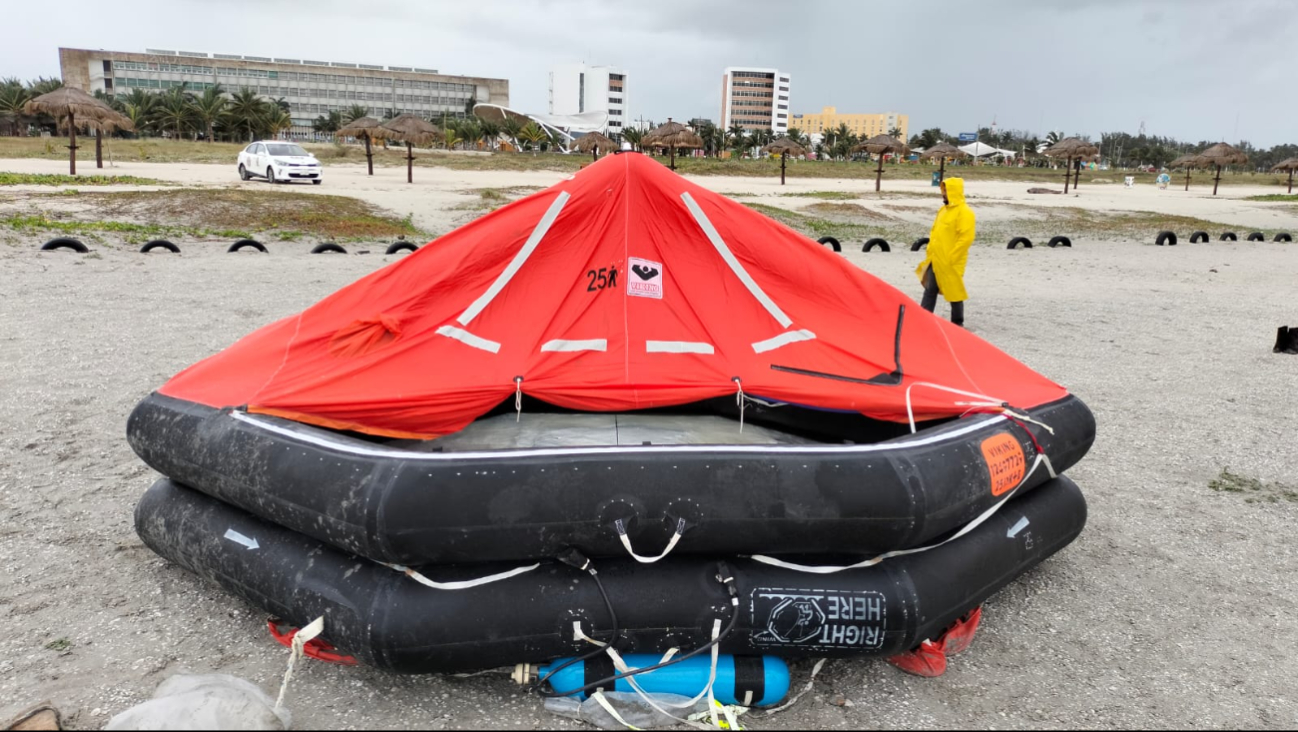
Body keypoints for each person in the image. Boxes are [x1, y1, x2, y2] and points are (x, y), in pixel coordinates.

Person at [915, 177, 975, 327]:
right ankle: (924, 318)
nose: (943, 193)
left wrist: (952, 257)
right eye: (943, 190)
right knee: (930, 289)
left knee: (954, 291)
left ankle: (957, 322)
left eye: (946, 190)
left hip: (951, 260)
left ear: (954, 192)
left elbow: (966, 238)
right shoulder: (942, 210)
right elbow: (935, 231)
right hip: (935, 258)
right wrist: (930, 250)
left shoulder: (965, 212)